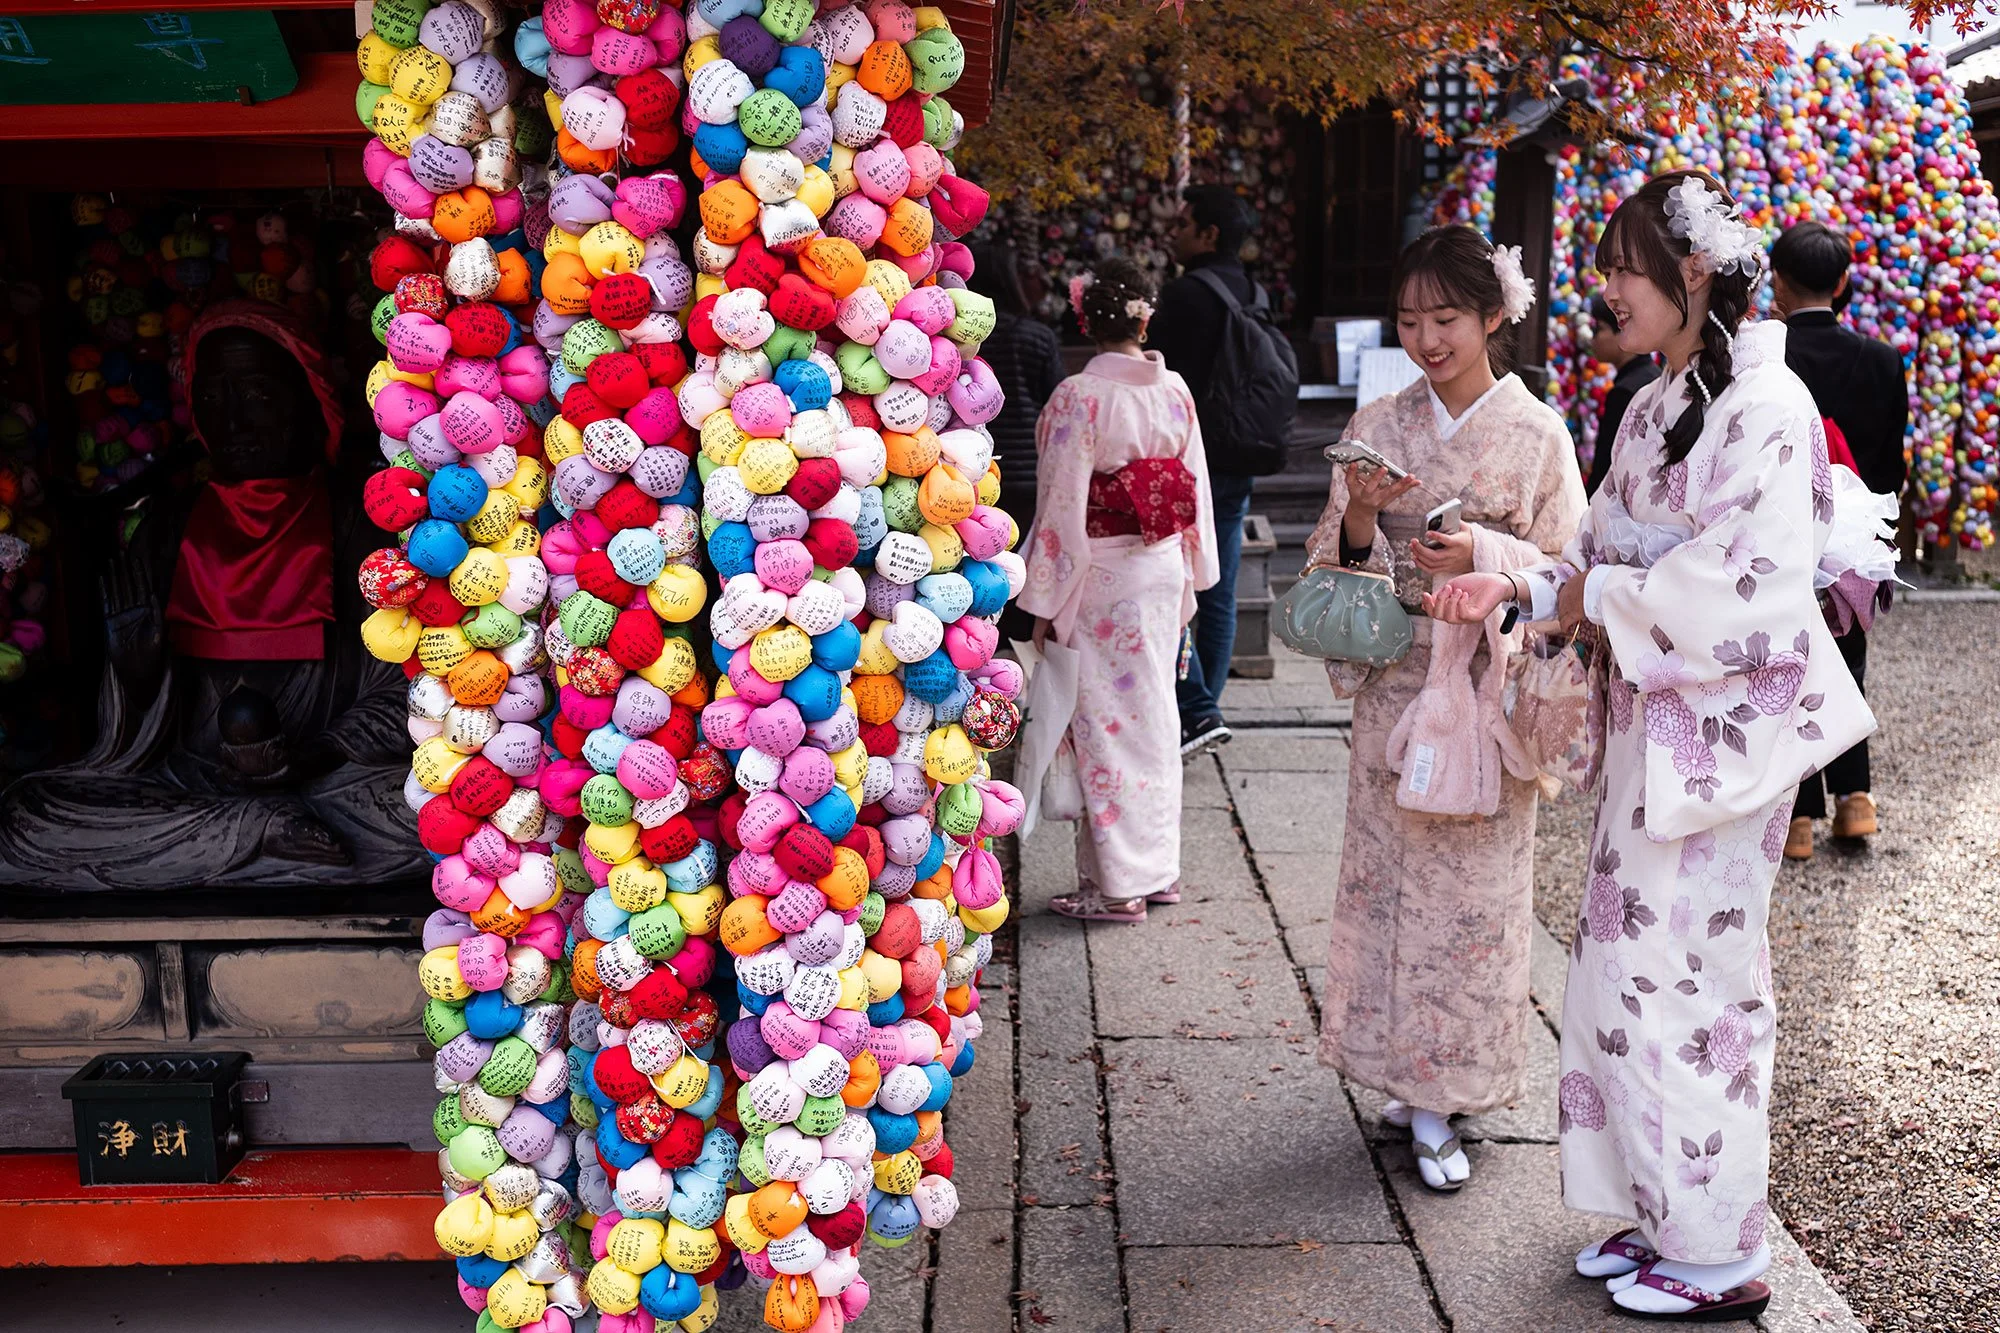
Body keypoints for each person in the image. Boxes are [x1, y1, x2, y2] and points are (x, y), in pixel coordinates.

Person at [1428, 171, 1878, 1319]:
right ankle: (1660, 1212)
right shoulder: (1645, 403)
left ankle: (1719, 1247)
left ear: (1690, 272)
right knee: (1623, 972)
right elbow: (1588, 558)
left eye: (1621, 266)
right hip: (1652, 729)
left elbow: (1747, 591)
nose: (1601, 287)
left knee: (1690, 980)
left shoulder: (1764, 411)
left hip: (1720, 747)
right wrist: (1515, 575)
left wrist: (1592, 597)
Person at [1306, 225, 1586, 1192]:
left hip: (1486, 689)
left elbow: (1570, 575)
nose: (1428, 338)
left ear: (1493, 316)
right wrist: (1355, 515)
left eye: (1449, 318)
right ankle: (1402, 1075)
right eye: (1411, 318)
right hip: (1396, 686)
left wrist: (1486, 562)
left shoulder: (1539, 434)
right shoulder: (1380, 421)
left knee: (1469, 901)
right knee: (1390, 889)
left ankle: (1444, 1092)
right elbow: (1327, 571)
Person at [1019, 257, 1219, 922]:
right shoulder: (1175, 390)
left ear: (1085, 318)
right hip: (1161, 568)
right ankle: (1157, 870)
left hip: (1100, 576)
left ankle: (1118, 886)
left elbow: (1061, 503)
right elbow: (1196, 490)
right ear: (1147, 315)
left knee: (1105, 726)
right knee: (1155, 717)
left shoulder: (1081, 396)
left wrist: (1041, 599)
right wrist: (1195, 569)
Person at [1768, 221, 1906, 859]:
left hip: (1781, 536)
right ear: (1844, 281)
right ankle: (1855, 803)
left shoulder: (1766, 355)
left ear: (1776, 282)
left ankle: (1796, 819)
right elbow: (1891, 468)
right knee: (1847, 665)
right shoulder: (1881, 360)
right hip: (1854, 542)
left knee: (1782, 668)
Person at [1150, 185, 1260, 757]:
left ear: (1209, 235)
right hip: (1239, 454)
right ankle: (1207, 703)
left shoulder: (1188, 294)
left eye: (1186, 222)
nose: (1176, 230)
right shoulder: (1250, 290)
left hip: (1189, 462)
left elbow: (1159, 379)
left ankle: (1194, 708)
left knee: (1176, 581)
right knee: (1218, 584)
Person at [968, 240, 1067, 544]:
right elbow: (1057, 401)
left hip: (975, 467)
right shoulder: (1036, 336)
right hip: (1028, 470)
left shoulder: (966, 341)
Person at [1585, 293, 1661, 497]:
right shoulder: (1655, 377)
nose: (1593, 339)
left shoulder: (1625, 392)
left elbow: (1605, 467)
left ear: (1622, 328)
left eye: (1598, 329)